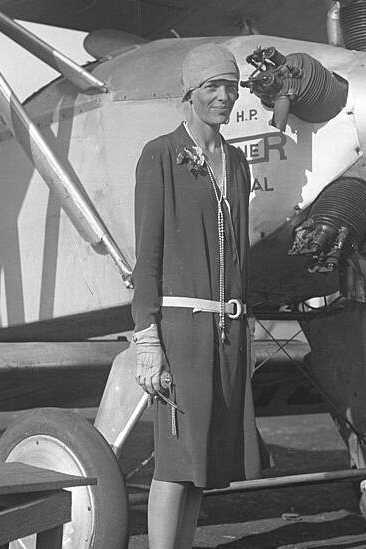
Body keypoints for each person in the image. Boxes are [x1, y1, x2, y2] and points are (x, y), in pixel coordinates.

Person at [131, 42, 260, 548]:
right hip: (181, 330)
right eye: (213, 87)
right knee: (175, 457)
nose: (225, 97)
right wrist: (147, 338)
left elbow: (241, 260)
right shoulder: (160, 155)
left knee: (203, 459)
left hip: (228, 331)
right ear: (190, 92)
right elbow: (148, 255)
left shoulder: (237, 162)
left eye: (231, 87)